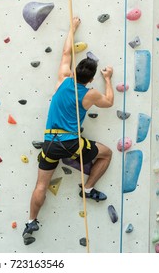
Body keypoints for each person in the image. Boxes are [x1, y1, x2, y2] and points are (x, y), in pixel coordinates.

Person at [22, 16, 114, 245]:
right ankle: (88, 188)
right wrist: (109, 79)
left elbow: (65, 54)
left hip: (50, 144)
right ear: (91, 78)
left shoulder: (63, 80)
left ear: (74, 72)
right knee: (107, 153)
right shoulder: (90, 93)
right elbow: (109, 102)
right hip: (72, 144)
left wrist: (71, 28)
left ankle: (31, 221)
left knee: (41, 185)